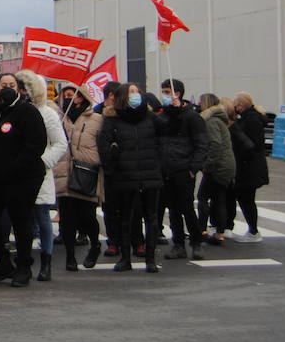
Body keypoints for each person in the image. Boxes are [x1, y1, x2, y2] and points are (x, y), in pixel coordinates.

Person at [0, 72, 48, 287]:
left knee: (21, 222)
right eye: (3, 84)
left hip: (21, 179)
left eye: (11, 84)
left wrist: (15, 167)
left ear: (19, 88)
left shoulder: (26, 111)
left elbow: (36, 144)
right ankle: (3, 263)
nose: (7, 88)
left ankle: (24, 267)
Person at [100, 83, 165, 272]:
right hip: (124, 175)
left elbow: (167, 132)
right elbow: (103, 146)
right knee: (125, 218)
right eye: (131, 92)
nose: (136, 95)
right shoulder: (113, 119)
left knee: (151, 217)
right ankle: (125, 258)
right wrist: (114, 164)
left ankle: (150, 259)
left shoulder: (150, 117)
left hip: (149, 173)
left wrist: (174, 109)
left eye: (137, 92)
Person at [23, 70, 68, 282]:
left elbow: (60, 143)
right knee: (22, 219)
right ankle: (24, 261)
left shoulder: (47, 113)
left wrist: (42, 163)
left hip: (39, 172)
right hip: (18, 172)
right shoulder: (15, 111)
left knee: (42, 217)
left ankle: (46, 261)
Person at [157, 79, 209, 259]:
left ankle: (196, 242)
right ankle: (178, 244)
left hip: (183, 168)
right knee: (172, 210)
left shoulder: (192, 117)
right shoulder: (164, 116)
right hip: (166, 169)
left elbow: (202, 143)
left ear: (177, 94)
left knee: (186, 207)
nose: (163, 95)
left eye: (166, 92)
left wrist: (194, 167)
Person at [54, 86, 105, 270]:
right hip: (63, 173)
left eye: (73, 96)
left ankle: (95, 245)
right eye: (65, 96)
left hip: (86, 173)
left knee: (87, 216)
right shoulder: (58, 118)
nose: (69, 99)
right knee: (67, 219)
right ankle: (70, 257)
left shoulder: (97, 119)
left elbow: (102, 145)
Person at [229, 92, 270, 242]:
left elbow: (250, 144)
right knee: (247, 198)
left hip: (249, 165)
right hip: (254, 165)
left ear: (240, 105)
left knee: (246, 198)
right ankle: (252, 230)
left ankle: (253, 231)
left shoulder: (250, 120)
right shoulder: (254, 117)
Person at [196, 93, 235, 243]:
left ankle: (202, 228)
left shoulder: (211, 121)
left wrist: (207, 165)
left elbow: (215, 144)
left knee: (203, 197)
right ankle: (220, 232)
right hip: (227, 165)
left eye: (201, 102)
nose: (199, 105)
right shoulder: (221, 120)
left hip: (218, 166)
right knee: (219, 198)